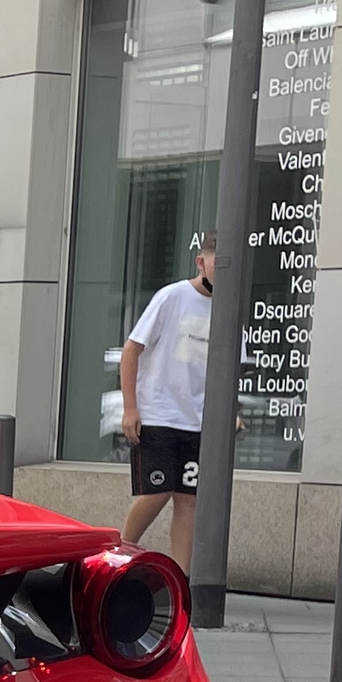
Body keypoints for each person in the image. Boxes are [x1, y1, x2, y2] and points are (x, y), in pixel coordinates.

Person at [118, 233, 215, 564]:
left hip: (197, 419)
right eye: (216, 262)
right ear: (201, 262)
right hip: (158, 413)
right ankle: (119, 553)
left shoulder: (227, 310)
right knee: (156, 491)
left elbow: (226, 367)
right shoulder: (172, 297)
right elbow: (132, 349)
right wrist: (131, 408)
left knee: (188, 499)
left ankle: (181, 579)